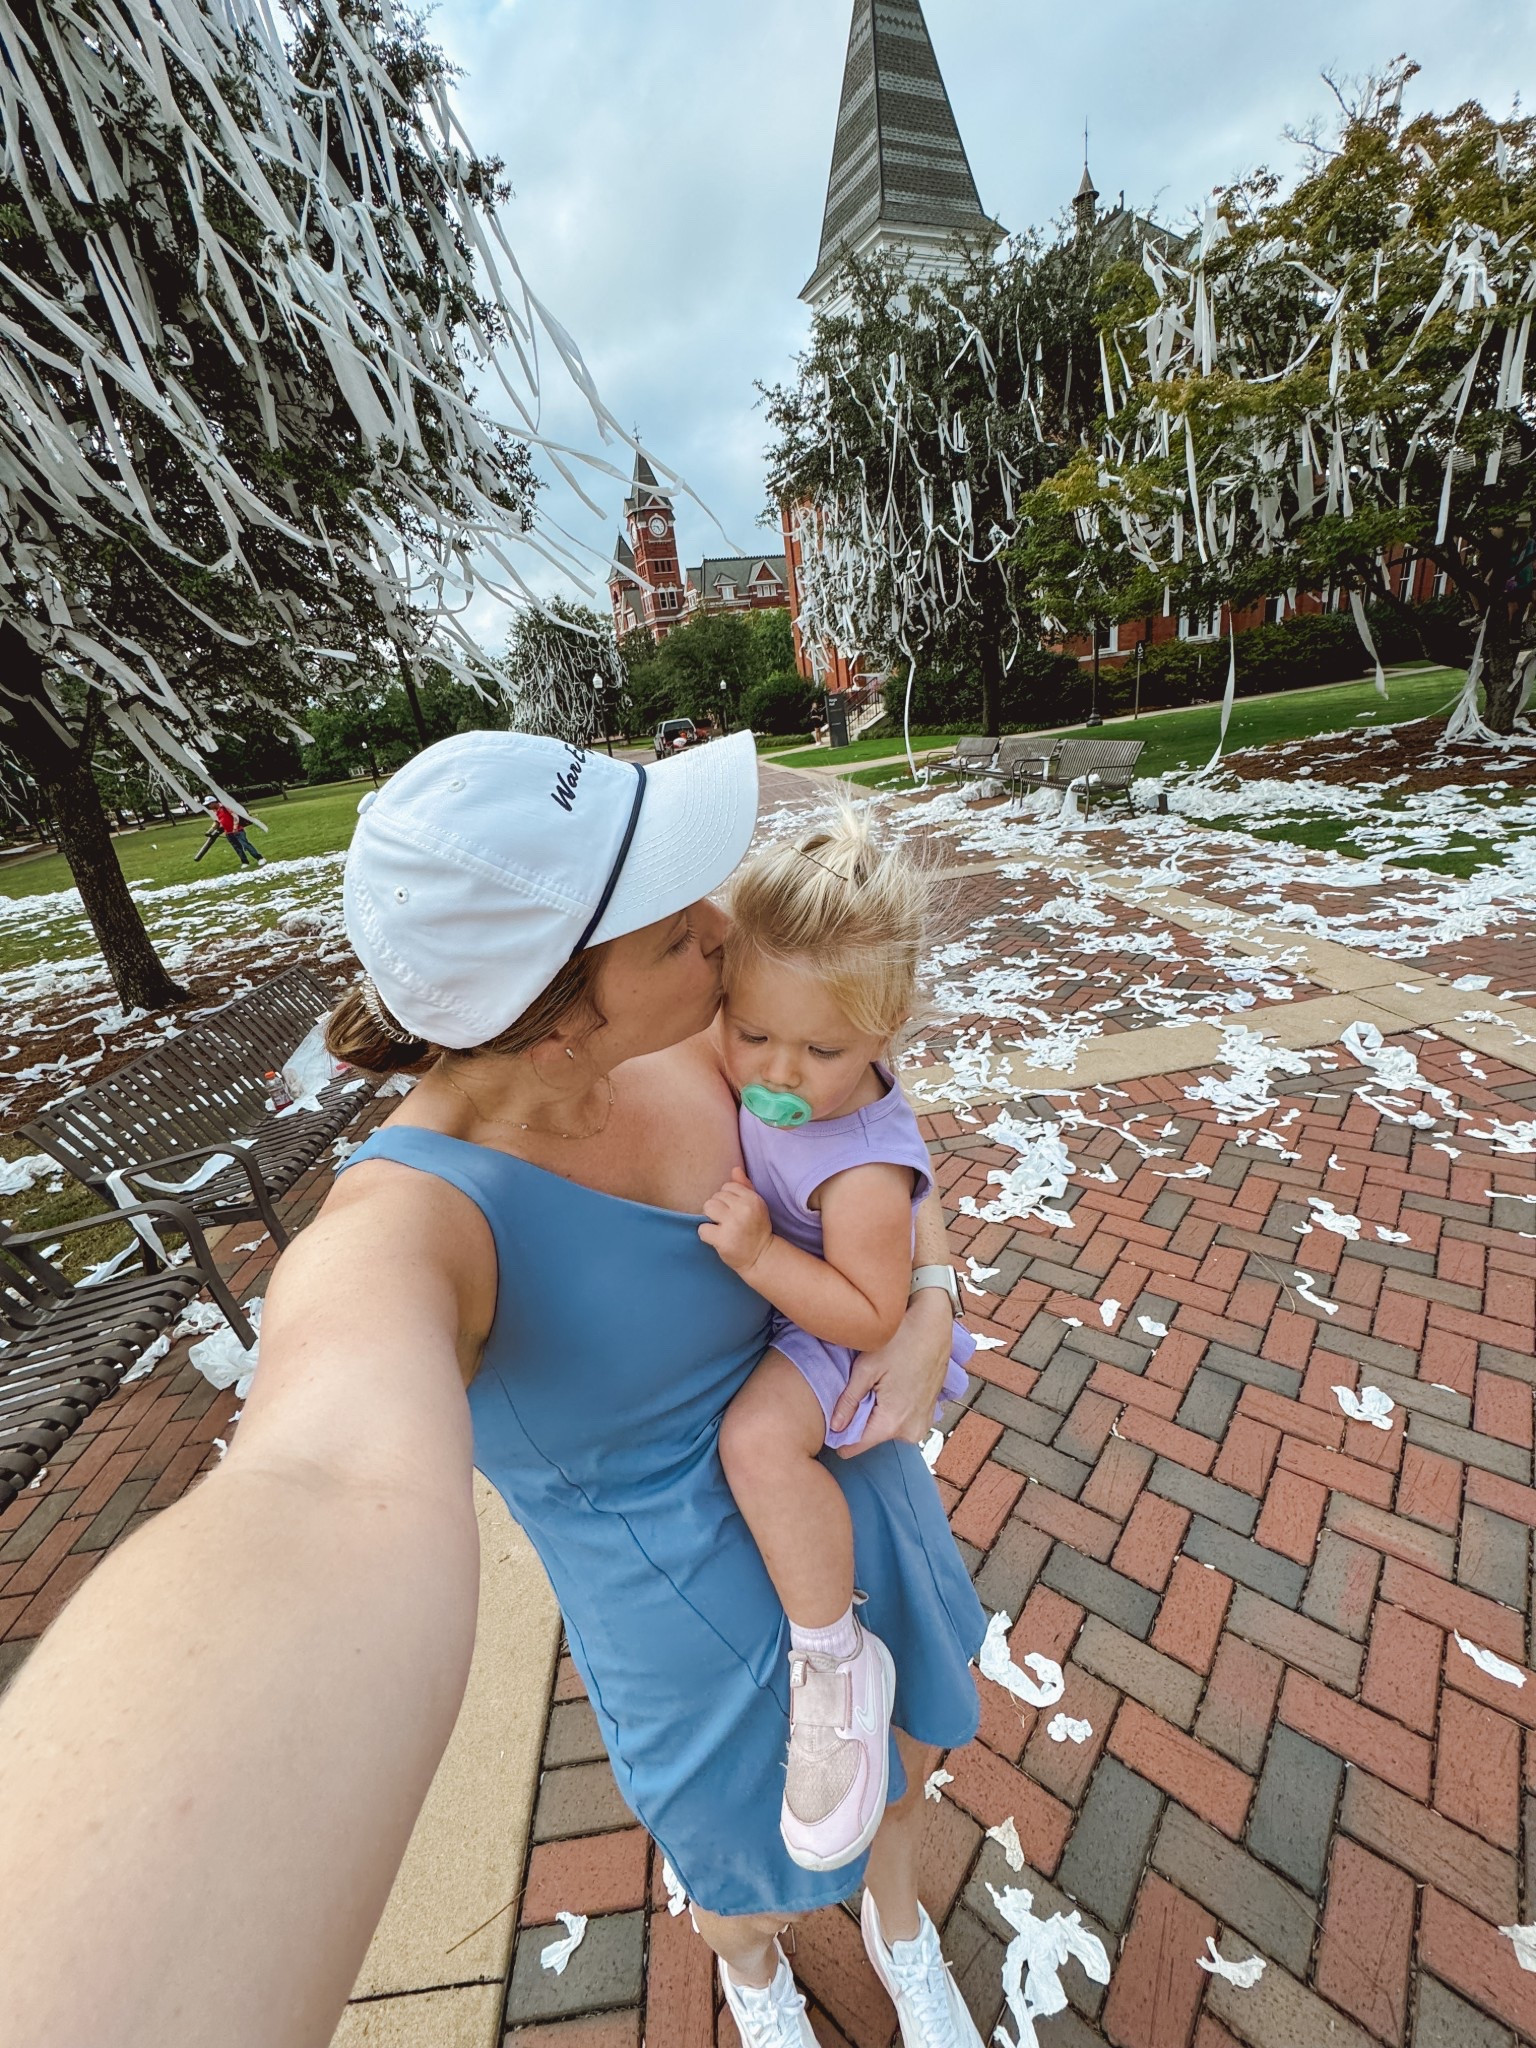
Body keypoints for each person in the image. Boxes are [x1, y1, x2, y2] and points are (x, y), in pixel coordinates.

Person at [0, 728, 987, 2048]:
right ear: (560, 1009)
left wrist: (926, 1293)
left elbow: (867, 1118)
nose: (719, 927)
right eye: (670, 924)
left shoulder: (702, 1031)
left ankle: (900, 1928)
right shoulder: (411, 1226)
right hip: (689, 1632)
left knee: (900, 1784)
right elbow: (320, 1476)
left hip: (848, 1504)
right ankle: (754, 1982)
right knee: (738, 1877)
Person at [703, 815, 973, 1878]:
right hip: (802, 1301)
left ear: (885, 1031)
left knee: (758, 1445)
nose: (777, 1071)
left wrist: (763, 1254)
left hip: (831, 1327)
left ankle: (833, 1655)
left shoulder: (860, 1160)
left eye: (820, 1051)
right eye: (751, 1032)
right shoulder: (781, 1053)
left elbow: (870, 1311)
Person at [196, 795, 266, 866]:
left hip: (237, 830)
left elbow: (235, 816)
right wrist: (211, 830)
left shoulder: (225, 807)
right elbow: (219, 821)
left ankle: (260, 858)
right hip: (228, 833)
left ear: (213, 803)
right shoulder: (216, 811)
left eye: (208, 804)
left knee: (246, 845)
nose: (208, 806)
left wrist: (235, 827)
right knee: (237, 848)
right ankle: (245, 862)